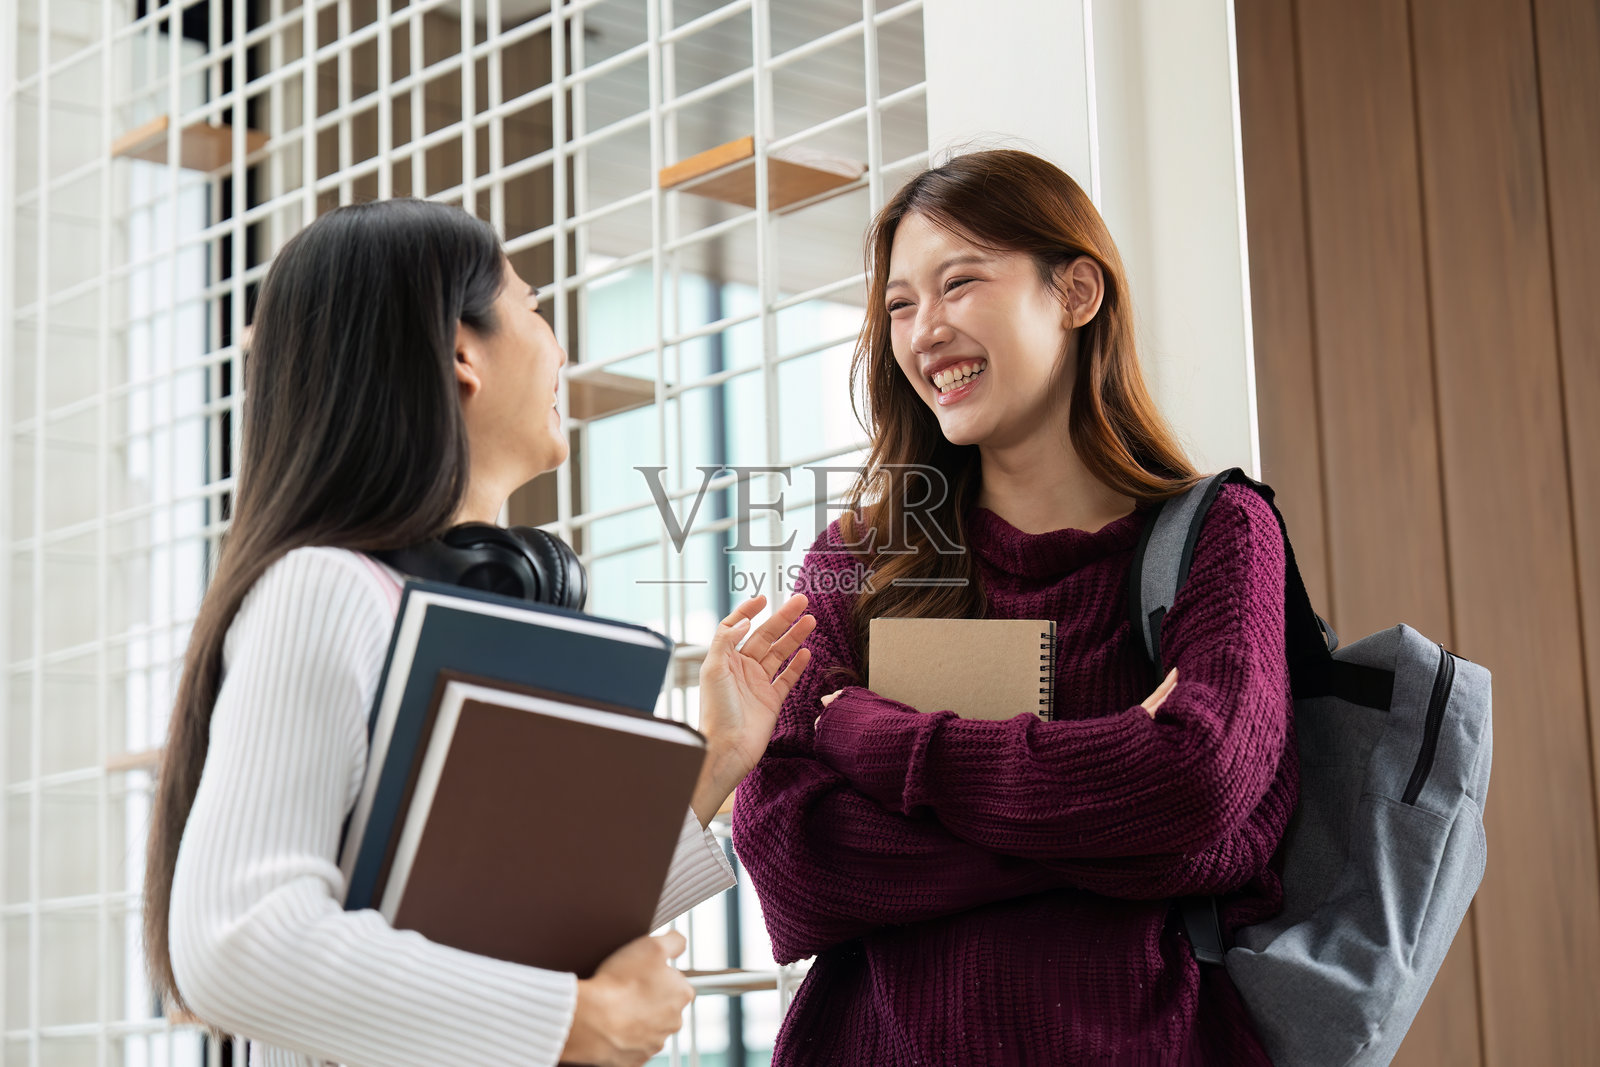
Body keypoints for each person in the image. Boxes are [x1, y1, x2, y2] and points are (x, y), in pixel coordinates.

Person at [143, 198, 816, 1067]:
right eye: (534, 307)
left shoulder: (453, 602)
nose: (559, 345)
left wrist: (720, 756)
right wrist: (575, 1019)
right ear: (463, 351)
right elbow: (235, 943)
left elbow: (508, 916)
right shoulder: (325, 589)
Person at [731, 149, 1297, 1064]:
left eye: (959, 284)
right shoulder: (857, 562)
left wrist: (883, 739)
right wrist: (1119, 823)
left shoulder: (1220, 534)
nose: (924, 333)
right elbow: (796, 865)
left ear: (1076, 292)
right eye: (901, 306)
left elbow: (1200, 785)